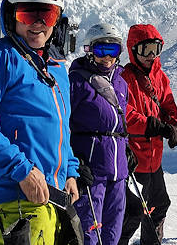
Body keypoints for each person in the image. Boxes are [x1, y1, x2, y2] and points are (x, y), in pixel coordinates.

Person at [0, 0, 80, 245]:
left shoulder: (58, 70)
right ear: (12, 16)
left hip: (53, 195)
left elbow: (61, 128)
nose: (37, 23)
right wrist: (22, 170)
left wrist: (70, 172)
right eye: (28, 13)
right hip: (14, 197)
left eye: (46, 15)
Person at [118, 24, 177, 245]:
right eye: (146, 50)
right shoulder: (124, 78)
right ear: (133, 50)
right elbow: (126, 115)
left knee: (158, 205)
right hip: (134, 160)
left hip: (154, 160)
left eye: (156, 49)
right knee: (132, 213)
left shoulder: (159, 76)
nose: (151, 56)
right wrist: (155, 126)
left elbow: (168, 108)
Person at [69, 23, 130, 245]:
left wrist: (126, 148)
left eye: (112, 51)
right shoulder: (77, 81)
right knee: (88, 231)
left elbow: (121, 121)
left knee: (113, 231)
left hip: (118, 169)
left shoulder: (121, 82)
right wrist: (74, 160)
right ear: (90, 50)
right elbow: (62, 123)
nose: (107, 57)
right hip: (91, 169)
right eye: (101, 50)